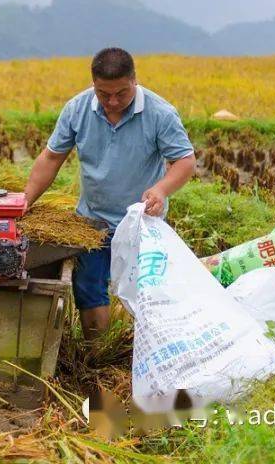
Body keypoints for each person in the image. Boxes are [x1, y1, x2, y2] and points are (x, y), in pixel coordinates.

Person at [22, 48, 195, 339]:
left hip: (142, 223)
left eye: (121, 94)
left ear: (134, 82)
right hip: (93, 221)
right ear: (94, 85)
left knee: (147, 295)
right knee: (89, 290)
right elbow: (52, 158)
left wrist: (161, 189)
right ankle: (97, 354)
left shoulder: (160, 113)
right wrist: (24, 200)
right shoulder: (77, 109)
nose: (113, 103)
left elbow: (185, 161)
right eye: (104, 94)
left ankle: (145, 351)